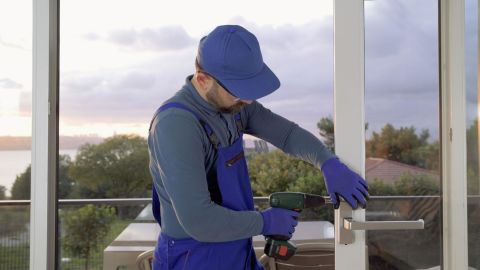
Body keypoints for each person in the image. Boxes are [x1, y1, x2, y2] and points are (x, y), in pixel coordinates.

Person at [147, 25, 369, 270]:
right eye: (239, 92)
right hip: (194, 258)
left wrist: (327, 162)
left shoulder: (235, 106)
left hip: (235, 248)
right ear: (203, 80)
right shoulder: (176, 125)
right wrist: (265, 222)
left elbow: (287, 134)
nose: (248, 100)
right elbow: (198, 220)